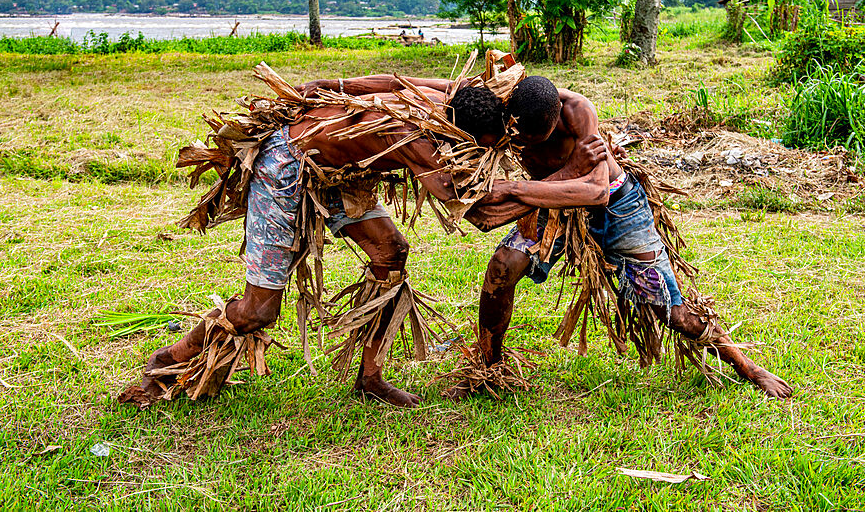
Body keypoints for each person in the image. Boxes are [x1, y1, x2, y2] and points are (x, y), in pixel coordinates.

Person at [119, 79, 606, 409]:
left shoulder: (458, 94)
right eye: (474, 145)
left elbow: (389, 83)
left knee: (390, 254)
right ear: (457, 130)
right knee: (258, 310)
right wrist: (557, 192)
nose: (476, 152)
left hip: (338, 175)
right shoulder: (419, 141)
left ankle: (369, 377)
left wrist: (331, 88)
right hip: (285, 168)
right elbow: (474, 212)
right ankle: (163, 367)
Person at [318, 72, 793, 399]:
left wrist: (514, 189)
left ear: (557, 119)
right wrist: (334, 86)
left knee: (670, 309)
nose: (526, 146)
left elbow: (594, 192)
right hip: (548, 207)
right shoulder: (499, 99)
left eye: (538, 139)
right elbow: (411, 86)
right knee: (502, 268)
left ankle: (745, 366)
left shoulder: (578, 112)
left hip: (615, 207)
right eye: (520, 139)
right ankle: (489, 365)